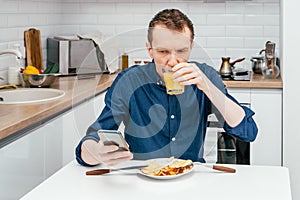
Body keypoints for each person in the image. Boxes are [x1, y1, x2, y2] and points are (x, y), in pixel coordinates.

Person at [75, 8, 258, 166]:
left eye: (181, 51)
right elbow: (87, 145)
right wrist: (97, 153)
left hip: (190, 176)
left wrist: (206, 86)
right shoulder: (129, 81)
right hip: (140, 177)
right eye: (163, 52)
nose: (172, 61)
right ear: (150, 50)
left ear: (191, 46)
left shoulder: (205, 76)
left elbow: (247, 131)